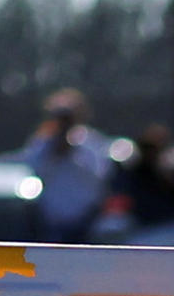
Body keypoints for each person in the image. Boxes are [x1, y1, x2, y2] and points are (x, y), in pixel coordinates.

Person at [17, 91, 114, 238]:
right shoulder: (41, 144)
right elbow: (31, 172)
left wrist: (71, 153)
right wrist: (54, 153)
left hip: (88, 226)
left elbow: (100, 177)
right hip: (49, 226)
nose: (64, 123)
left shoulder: (91, 142)